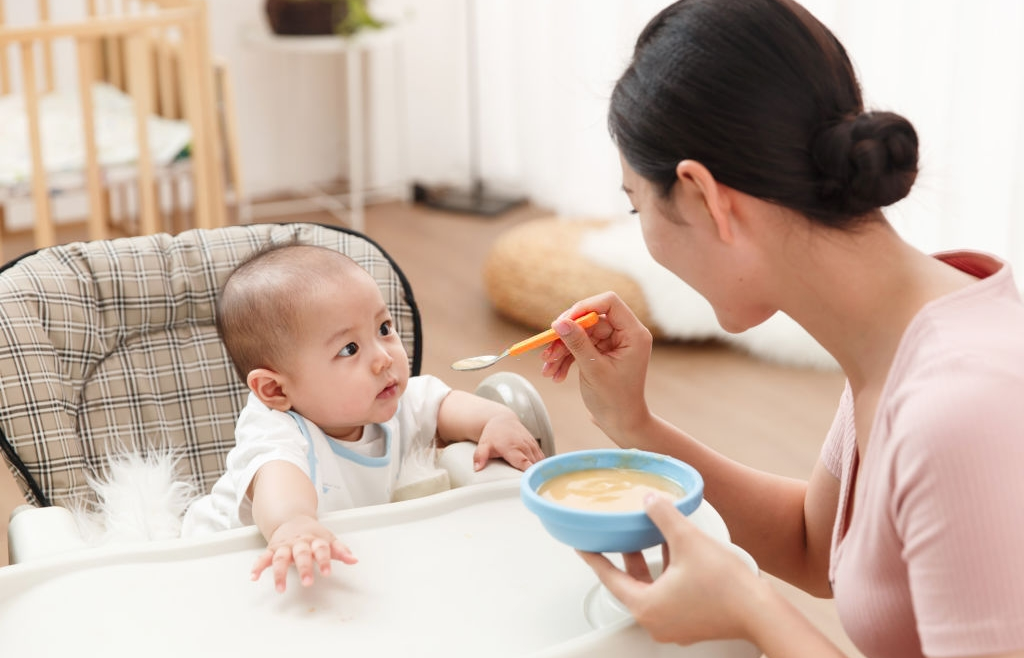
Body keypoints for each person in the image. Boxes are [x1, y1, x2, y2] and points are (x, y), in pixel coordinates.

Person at [538, 1, 1024, 656]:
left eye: (636, 204)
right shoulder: (897, 336)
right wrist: (635, 426)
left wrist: (750, 611)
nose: (640, 231)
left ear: (705, 196)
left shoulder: (961, 410)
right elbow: (811, 541)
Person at [181, 243, 544, 592]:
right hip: (212, 564)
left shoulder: (392, 399)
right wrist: (293, 523)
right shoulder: (274, 430)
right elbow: (279, 482)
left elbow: (445, 405)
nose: (384, 357)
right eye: (349, 349)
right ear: (276, 391)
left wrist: (495, 419)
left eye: (383, 328)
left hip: (328, 559)